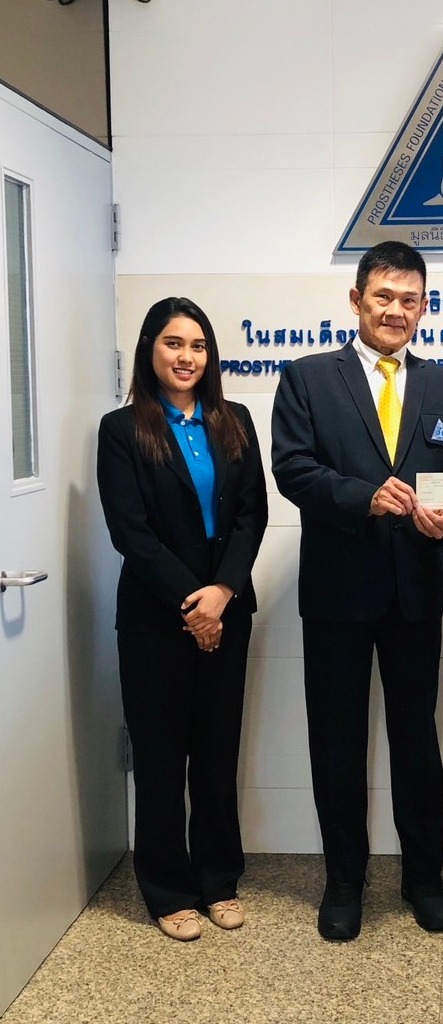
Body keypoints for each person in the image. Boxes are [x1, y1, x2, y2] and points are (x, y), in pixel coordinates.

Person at [271, 240, 443, 941]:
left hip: (415, 591)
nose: (396, 310)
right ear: (356, 300)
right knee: (337, 740)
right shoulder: (306, 378)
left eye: (409, 299)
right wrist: (364, 497)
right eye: (384, 296)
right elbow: (292, 469)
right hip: (338, 592)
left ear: (424, 306)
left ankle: (425, 877)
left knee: (417, 738)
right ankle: (344, 880)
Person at [97, 297, 268, 941]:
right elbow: (131, 532)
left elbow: (252, 513)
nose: (187, 357)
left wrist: (222, 591)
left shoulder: (235, 420)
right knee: (162, 759)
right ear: (150, 350)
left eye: (198, 345)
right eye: (173, 343)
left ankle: (219, 880)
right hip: (154, 618)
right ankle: (168, 889)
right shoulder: (122, 429)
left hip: (229, 611)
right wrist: (194, 603)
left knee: (218, 755)